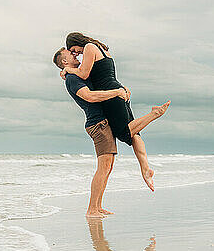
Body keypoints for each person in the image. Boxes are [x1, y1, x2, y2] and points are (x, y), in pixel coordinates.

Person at [60, 32, 170, 192]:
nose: (76, 53)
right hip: (118, 89)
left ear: (77, 42)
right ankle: (145, 169)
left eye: (74, 49)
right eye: (73, 53)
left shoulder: (90, 47)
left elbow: (83, 73)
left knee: (124, 133)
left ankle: (154, 114)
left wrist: (67, 70)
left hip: (111, 94)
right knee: (134, 132)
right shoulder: (102, 48)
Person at [53, 47, 130, 218]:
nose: (75, 54)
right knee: (103, 168)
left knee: (108, 168)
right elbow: (90, 96)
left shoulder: (77, 73)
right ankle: (91, 209)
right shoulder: (72, 79)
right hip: (97, 124)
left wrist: (121, 88)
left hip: (103, 122)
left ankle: (98, 206)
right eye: (70, 54)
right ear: (64, 61)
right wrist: (117, 92)